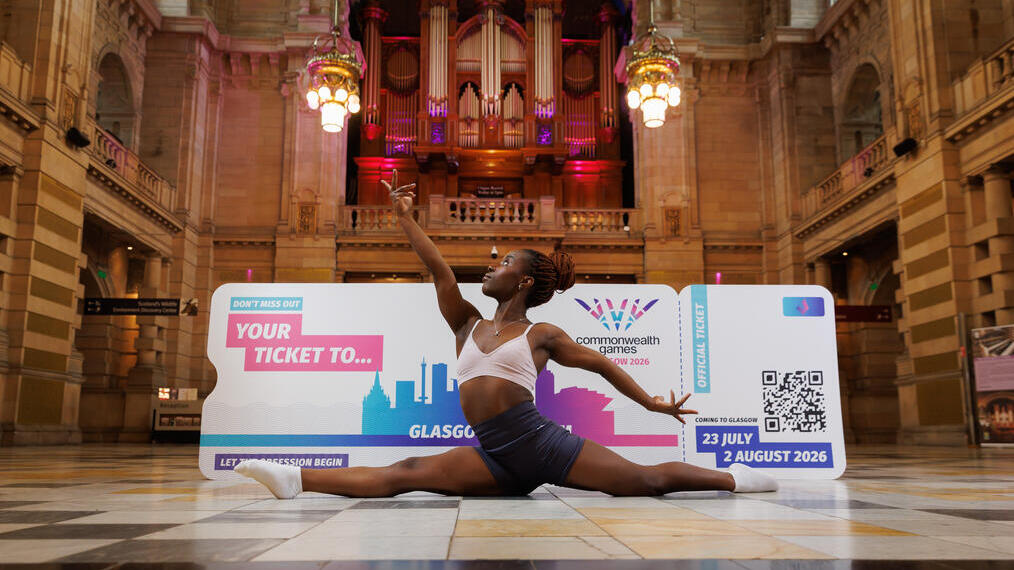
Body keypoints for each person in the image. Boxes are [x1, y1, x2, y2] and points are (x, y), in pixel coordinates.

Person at [234, 170, 777, 499]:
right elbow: (439, 270)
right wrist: (405, 219)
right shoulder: (465, 322)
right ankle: (294, 478)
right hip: (493, 455)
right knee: (406, 473)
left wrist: (654, 406)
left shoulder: (541, 333)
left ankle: (739, 479)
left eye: (503, 263)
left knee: (647, 482)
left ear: (522, 280)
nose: (490, 266)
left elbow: (601, 364)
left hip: (541, 446)